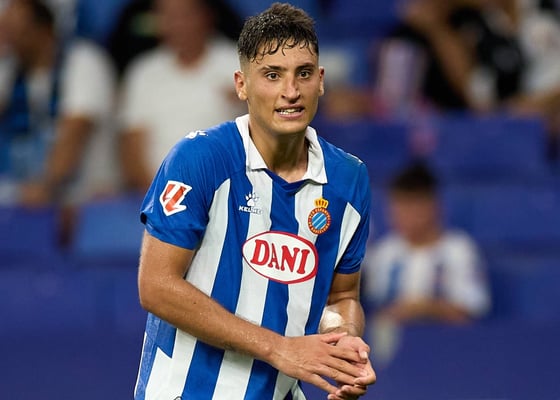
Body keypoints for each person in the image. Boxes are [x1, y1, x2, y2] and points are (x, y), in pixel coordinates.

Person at [134, 3, 376, 400]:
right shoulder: (200, 159)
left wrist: (341, 343)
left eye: (303, 73)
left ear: (320, 81)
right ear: (241, 84)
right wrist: (279, 349)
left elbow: (342, 297)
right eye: (272, 75)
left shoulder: (349, 180)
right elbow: (156, 286)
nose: (290, 92)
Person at [0, 0, 119, 222]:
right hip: (29, 207)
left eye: (19, 32)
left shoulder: (83, 62)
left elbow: (72, 138)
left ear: (44, 30)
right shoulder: (10, 70)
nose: (11, 41)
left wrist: (44, 188)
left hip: (88, 204)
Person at [118, 0, 246, 193]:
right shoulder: (143, 72)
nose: (177, 24)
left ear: (207, 16)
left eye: (185, 15)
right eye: (167, 16)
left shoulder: (241, 63)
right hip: (159, 196)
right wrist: (162, 199)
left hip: (230, 193)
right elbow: (132, 150)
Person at [363, 162, 491, 323]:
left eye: (410, 207)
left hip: (444, 337)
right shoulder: (385, 252)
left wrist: (423, 309)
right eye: (397, 208)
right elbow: (375, 309)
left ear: (433, 206)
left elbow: (471, 311)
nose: (402, 216)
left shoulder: (459, 250)